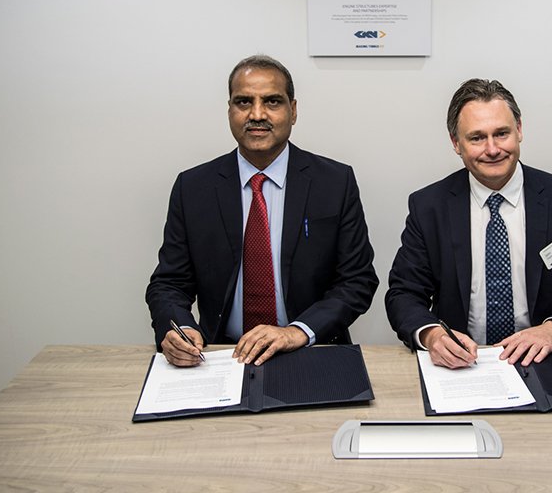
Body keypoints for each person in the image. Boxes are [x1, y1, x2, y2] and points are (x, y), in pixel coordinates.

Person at [146, 55, 378, 367]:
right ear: (229, 110)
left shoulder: (335, 182)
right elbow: (169, 283)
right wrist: (181, 328)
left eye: (272, 101)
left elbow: (357, 280)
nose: (257, 114)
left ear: (293, 111)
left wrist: (297, 331)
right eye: (244, 102)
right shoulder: (193, 188)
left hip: (311, 348)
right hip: (220, 354)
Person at [385, 78, 552, 369]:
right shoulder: (429, 206)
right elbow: (403, 294)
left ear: (519, 130)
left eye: (501, 133)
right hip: (464, 364)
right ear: (456, 143)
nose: (492, 149)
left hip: (547, 359)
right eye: (477, 138)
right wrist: (432, 336)